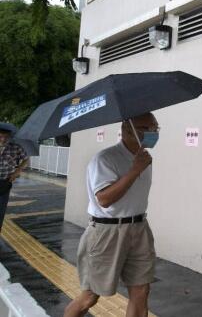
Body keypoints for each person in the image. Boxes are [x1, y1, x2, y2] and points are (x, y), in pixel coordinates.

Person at [65, 113, 159, 317]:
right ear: (126, 130)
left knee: (141, 291)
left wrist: (138, 166)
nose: (152, 133)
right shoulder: (105, 159)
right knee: (90, 296)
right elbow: (104, 199)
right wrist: (134, 170)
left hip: (139, 228)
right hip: (107, 232)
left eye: (155, 129)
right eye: (146, 129)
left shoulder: (144, 158)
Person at [0, 123, 29, 231]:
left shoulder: (15, 147)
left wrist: (16, 172)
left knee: (1, 211)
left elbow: (26, 159)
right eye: (0, 136)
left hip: (5, 183)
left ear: (9, 136)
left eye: (6, 137)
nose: (3, 139)